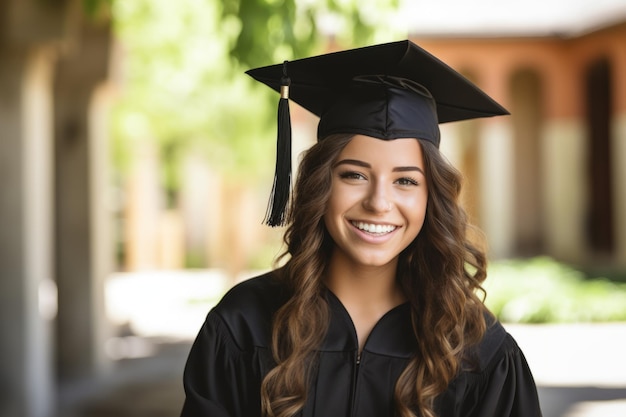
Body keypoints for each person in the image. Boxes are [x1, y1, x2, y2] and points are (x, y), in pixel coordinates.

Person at [180, 40, 543, 417]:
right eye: (354, 175)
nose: (379, 202)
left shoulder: (475, 348)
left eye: (405, 181)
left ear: (431, 198)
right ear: (320, 185)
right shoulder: (244, 327)